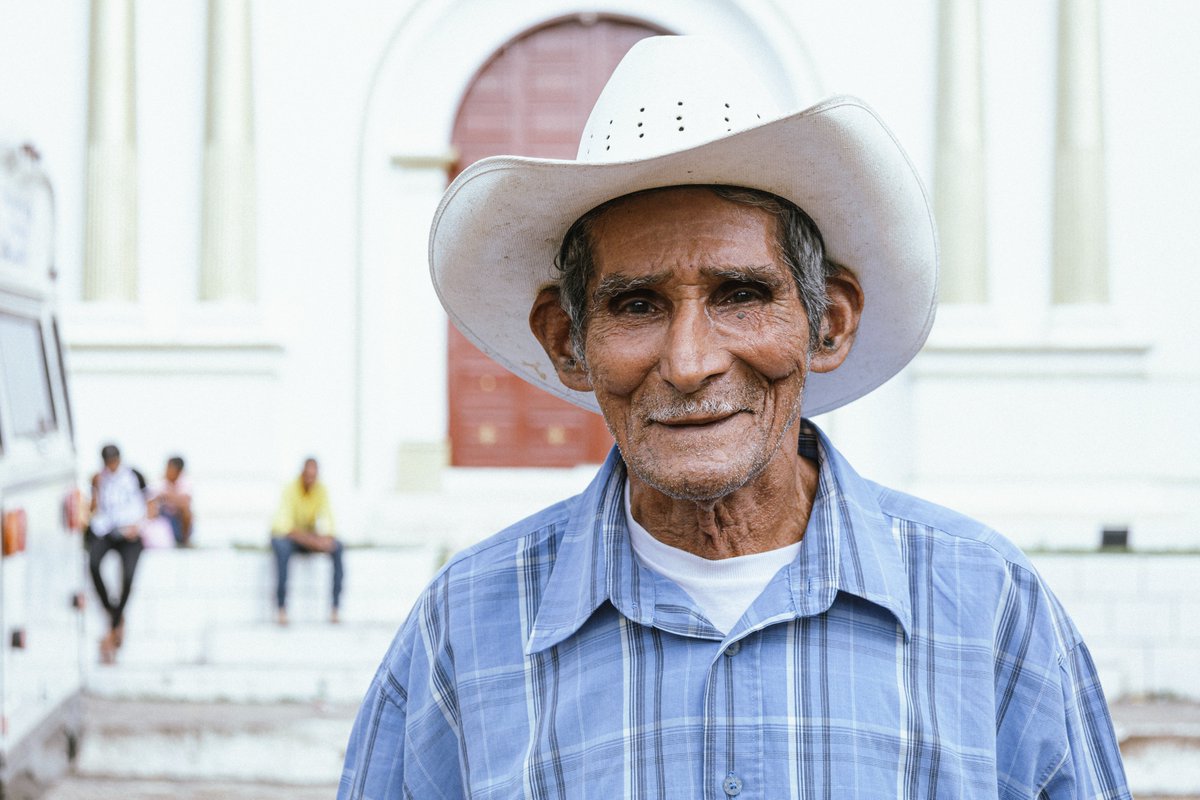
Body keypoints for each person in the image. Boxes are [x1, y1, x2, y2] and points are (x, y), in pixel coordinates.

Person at [340, 36, 1129, 798]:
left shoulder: (986, 603)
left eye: (741, 295)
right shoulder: (464, 630)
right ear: (567, 343)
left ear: (829, 324)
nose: (690, 363)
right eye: (636, 304)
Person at [86, 443, 149, 664]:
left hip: (131, 532)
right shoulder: (99, 478)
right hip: (108, 530)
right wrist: (94, 488)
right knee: (93, 564)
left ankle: (114, 625)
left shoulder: (135, 475)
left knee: (128, 576)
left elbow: (149, 502)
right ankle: (113, 613)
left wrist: (139, 525)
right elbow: (93, 509)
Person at [269, 457, 343, 625]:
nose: (310, 479)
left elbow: (329, 523)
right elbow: (285, 528)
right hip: (288, 538)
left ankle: (335, 609)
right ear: (302, 474)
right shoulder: (290, 489)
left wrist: (326, 539)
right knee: (282, 549)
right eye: (307, 476)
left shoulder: (321, 490)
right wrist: (315, 541)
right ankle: (281, 609)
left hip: (308, 538)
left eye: (313, 476)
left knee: (338, 547)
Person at [149, 455, 193, 546]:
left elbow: (185, 502)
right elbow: (151, 499)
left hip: (178, 518)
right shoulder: (160, 481)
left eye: (170, 468)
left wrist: (167, 496)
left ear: (178, 471)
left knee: (186, 511)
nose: (167, 470)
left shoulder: (186, 481)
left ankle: (184, 541)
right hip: (164, 515)